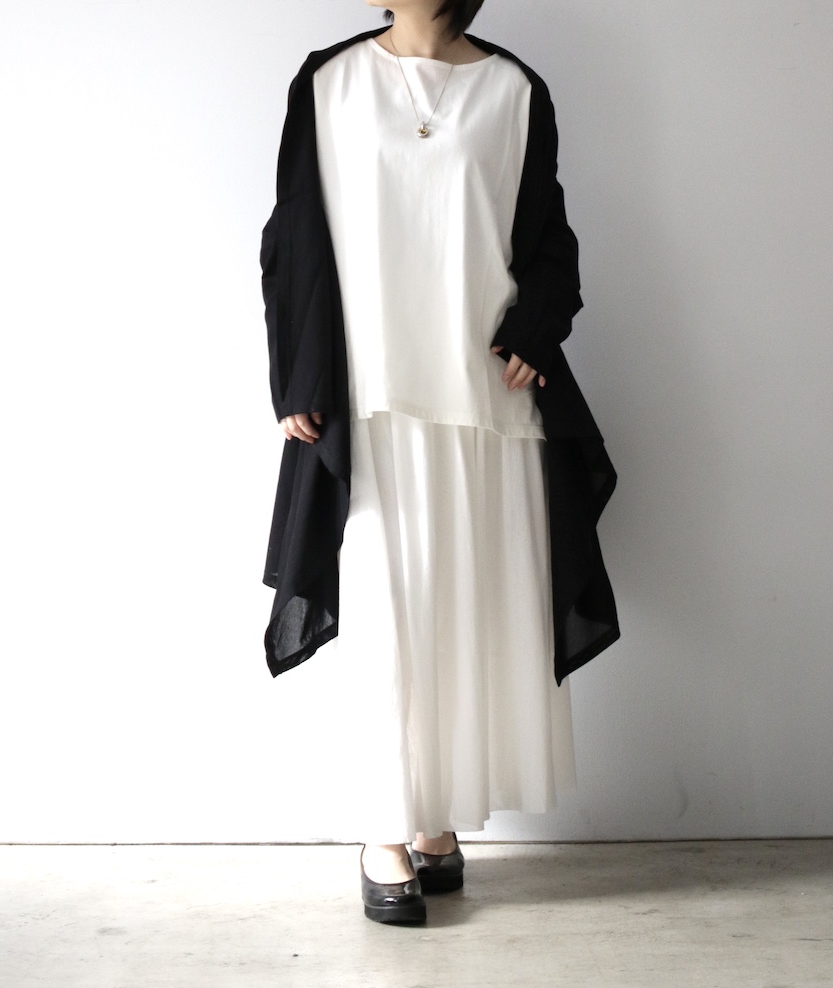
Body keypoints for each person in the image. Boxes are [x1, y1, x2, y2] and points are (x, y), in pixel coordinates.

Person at [260, 0, 620, 925]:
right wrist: (297, 374)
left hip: (483, 399)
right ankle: (384, 826)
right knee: (389, 608)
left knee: (467, 611)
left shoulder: (514, 90)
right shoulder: (329, 82)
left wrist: (536, 328)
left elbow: (548, 240)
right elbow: (292, 236)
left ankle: (435, 822)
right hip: (372, 394)